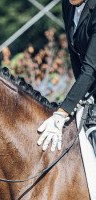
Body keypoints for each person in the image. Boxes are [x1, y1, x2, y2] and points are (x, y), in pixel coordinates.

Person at [37, 0, 96, 152]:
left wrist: (62, 112)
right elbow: (74, 53)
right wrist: (83, 96)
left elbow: (90, 69)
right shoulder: (68, 5)